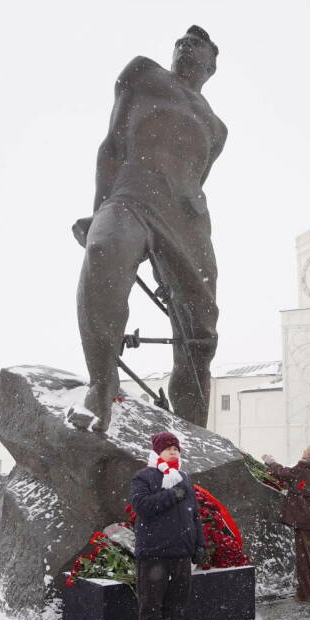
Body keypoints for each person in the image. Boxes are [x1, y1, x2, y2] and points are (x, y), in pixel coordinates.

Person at [70, 26, 227, 433]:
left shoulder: (216, 127)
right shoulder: (144, 74)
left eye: (197, 46)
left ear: (211, 64)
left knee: (200, 328)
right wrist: (97, 210)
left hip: (187, 216)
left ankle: (192, 426)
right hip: (134, 190)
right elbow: (112, 145)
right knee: (104, 251)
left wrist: (169, 267)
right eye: (182, 43)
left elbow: (198, 175)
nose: (186, 48)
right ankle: (102, 388)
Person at [129, 432, 205, 620]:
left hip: (181, 556)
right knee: (151, 612)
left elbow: (194, 515)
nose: (174, 452)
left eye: (176, 448)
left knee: (176, 612)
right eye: (168, 448)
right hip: (154, 557)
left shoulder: (184, 477)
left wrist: (199, 544)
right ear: (157, 451)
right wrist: (173, 494)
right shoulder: (145, 476)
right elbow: (142, 506)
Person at [265, 445, 310, 603]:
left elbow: (283, 473)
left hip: (304, 519)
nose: (303, 451)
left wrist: (271, 463)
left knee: (303, 557)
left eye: (306, 450)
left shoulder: (304, 467)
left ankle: (305, 594)